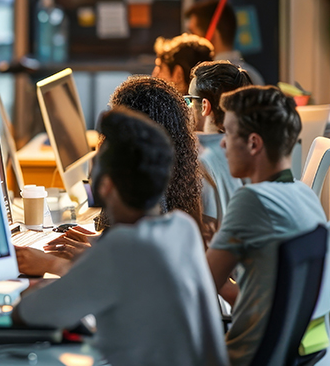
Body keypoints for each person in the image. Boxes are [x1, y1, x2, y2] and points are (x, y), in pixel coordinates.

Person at [13, 109, 233, 366]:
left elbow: (28, 314)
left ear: (106, 185)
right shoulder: (183, 229)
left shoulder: (121, 248)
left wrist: (37, 286)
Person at [18, 77, 205, 276]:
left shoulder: (125, 252)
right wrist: (100, 243)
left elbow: (122, 273)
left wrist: (51, 264)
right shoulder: (182, 225)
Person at [206, 86, 325, 366]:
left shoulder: (252, 201)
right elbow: (261, 300)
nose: (222, 145)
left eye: (229, 133)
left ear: (254, 144)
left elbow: (199, 287)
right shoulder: (305, 196)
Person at [188, 61, 253, 230]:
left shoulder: (198, 160)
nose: (186, 108)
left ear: (204, 106)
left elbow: (205, 230)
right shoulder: (255, 151)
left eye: (189, 100)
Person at [185, 0, 265, 85]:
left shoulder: (208, 80)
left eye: (192, 32)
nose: (187, 38)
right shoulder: (253, 76)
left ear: (213, 35)